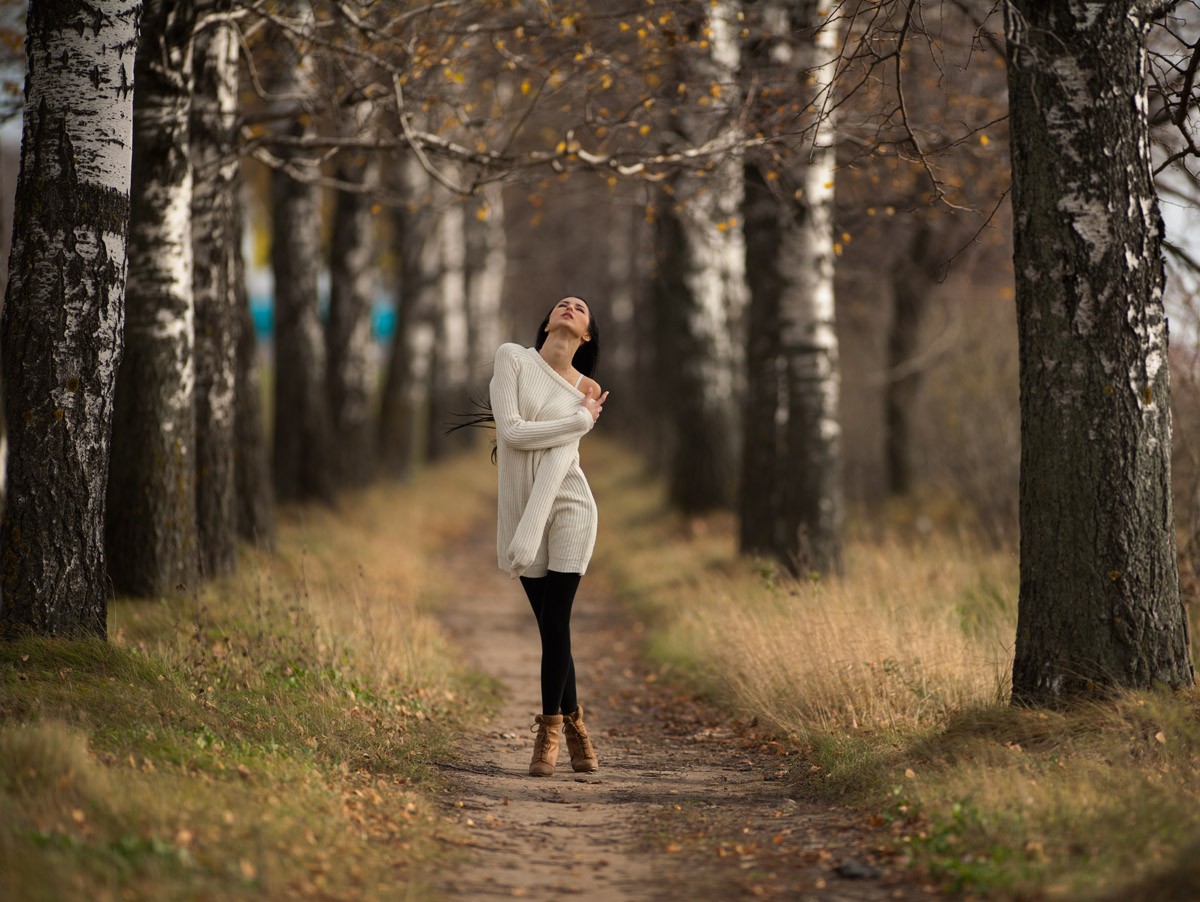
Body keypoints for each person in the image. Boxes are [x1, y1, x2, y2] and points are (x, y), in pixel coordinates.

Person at [489, 296, 609, 777]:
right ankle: (580, 730)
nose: (570, 306)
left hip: (570, 507)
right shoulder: (512, 358)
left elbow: (561, 457)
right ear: (546, 323)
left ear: (587, 336)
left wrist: (576, 422)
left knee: (557, 620)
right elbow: (513, 433)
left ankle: (550, 733)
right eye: (562, 304)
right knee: (549, 626)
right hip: (521, 508)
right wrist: (579, 421)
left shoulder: (588, 387)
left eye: (580, 309)